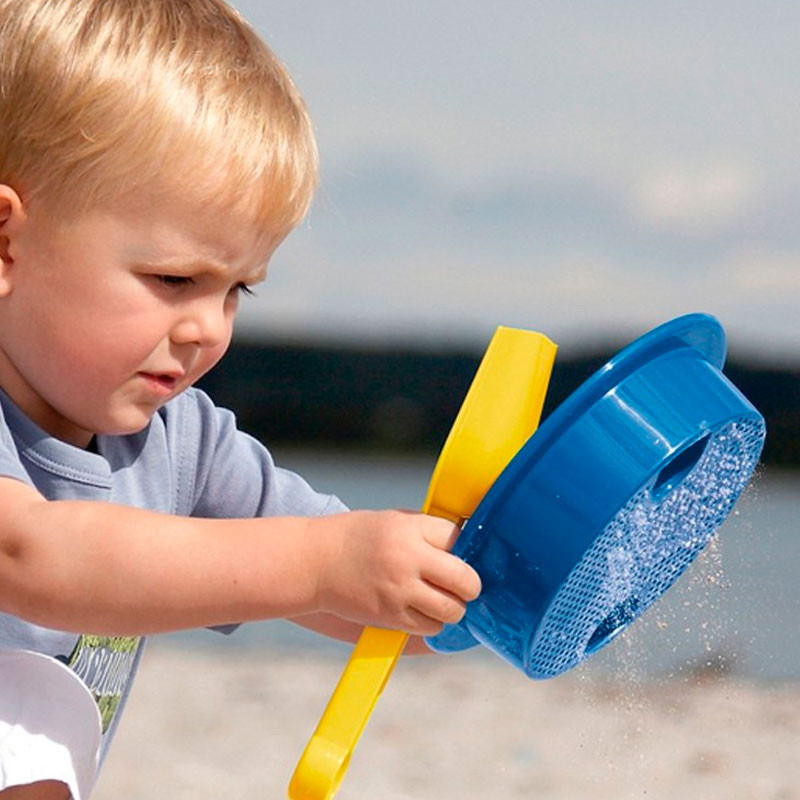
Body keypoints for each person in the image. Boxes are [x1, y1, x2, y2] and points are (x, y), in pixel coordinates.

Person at [0, 1, 481, 797]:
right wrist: (327, 564)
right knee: (32, 707)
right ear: (7, 244)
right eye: (175, 279)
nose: (206, 331)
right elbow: (36, 558)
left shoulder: (180, 440)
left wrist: (459, 585)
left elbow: (353, 592)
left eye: (237, 291)